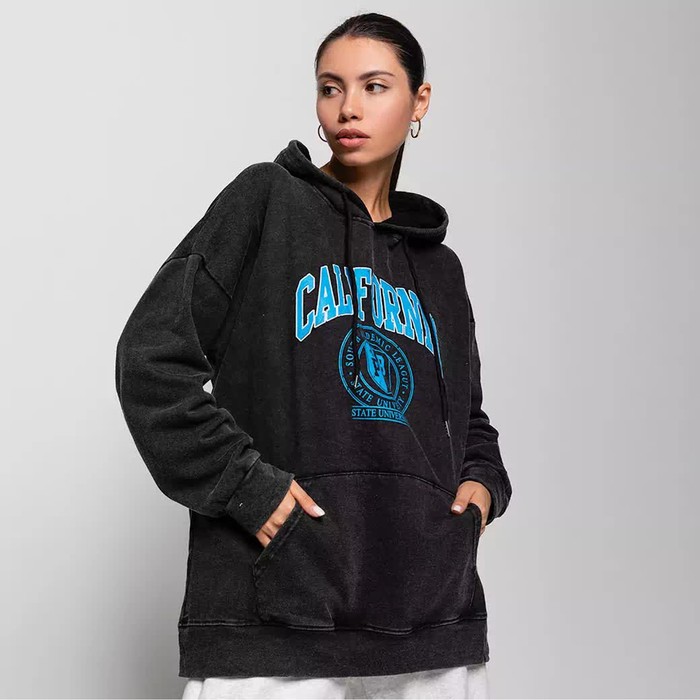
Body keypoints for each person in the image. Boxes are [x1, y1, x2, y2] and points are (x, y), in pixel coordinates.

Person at [115, 11, 512, 700]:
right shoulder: (265, 202)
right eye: (331, 87)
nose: (348, 107)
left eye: (374, 86)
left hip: (429, 615)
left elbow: (466, 418)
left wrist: (480, 490)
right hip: (275, 611)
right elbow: (151, 360)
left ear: (418, 101)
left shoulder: (439, 267)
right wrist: (251, 491)